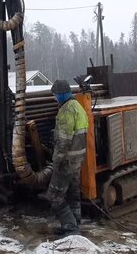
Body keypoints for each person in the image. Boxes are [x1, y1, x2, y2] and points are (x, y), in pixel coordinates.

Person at [46, 79, 89, 235]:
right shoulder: (78, 107)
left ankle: (69, 227)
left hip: (66, 160)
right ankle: (76, 221)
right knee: (73, 192)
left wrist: (56, 161)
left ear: (62, 94)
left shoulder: (66, 111)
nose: (55, 98)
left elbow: (63, 140)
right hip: (78, 158)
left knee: (54, 195)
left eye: (56, 95)